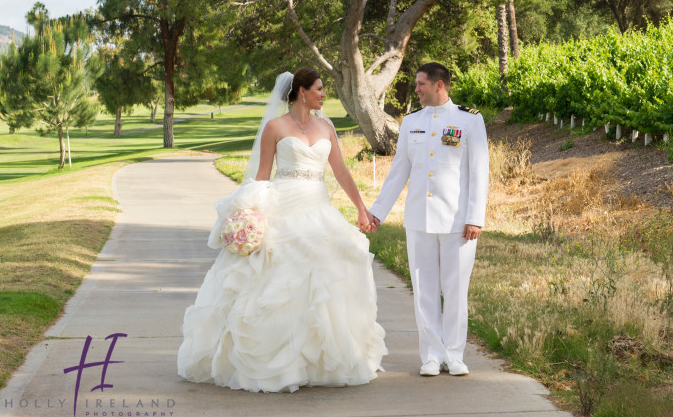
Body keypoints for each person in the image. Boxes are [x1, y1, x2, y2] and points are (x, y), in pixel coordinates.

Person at [177, 69, 387, 392]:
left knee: (324, 281)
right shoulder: (275, 128)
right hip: (283, 206)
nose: (323, 95)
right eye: (318, 89)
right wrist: (249, 215)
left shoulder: (327, 127)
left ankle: (321, 361)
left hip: (319, 209)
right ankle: (281, 364)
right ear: (301, 92)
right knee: (276, 284)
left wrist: (361, 208)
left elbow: (341, 171)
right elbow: (262, 175)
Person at [369, 62, 489, 377]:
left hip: (458, 221)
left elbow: (479, 172)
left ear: (439, 85)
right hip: (419, 220)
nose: (417, 90)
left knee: (455, 290)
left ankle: (454, 354)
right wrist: (378, 212)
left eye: (421, 84)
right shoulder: (411, 122)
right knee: (424, 290)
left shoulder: (469, 120)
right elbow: (398, 172)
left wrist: (475, 217)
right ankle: (431, 356)